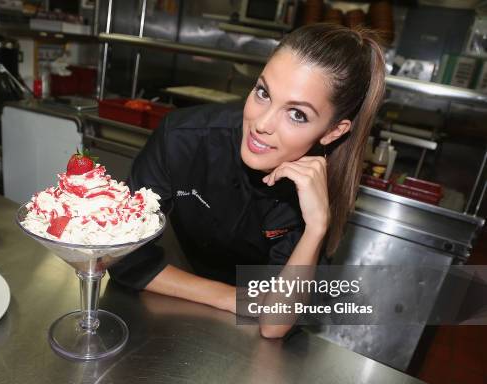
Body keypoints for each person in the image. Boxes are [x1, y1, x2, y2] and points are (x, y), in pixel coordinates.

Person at [109, 23, 386, 338]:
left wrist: (317, 226)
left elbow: (274, 324)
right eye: (263, 92)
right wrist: (230, 298)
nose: (262, 124)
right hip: (181, 318)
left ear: (333, 132)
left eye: (297, 114)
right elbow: (119, 257)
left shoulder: (319, 188)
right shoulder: (182, 138)